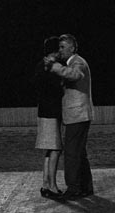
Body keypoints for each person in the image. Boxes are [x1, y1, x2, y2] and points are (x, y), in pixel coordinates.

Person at [45, 34, 94, 201]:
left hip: (77, 115)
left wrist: (54, 66)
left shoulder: (77, 62)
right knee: (80, 154)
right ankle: (86, 187)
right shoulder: (74, 62)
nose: (60, 51)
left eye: (62, 47)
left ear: (72, 48)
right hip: (80, 114)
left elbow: (75, 75)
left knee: (72, 154)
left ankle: (73, 189)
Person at [33, 36, 64, 198]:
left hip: (44, 111)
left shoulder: (41, 65)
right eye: (58, 48)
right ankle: (52, 186)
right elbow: (55, 90)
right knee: (56, 149)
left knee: (50, 148)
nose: (61, 51)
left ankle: (46, 184)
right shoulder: (50, 67)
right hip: (51, 112)